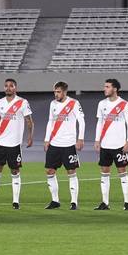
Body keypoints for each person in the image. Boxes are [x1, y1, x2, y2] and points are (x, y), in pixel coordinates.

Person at [0, 79, 34, 210]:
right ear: (4, 88)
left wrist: (30, 137)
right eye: (6, 86)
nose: (8, 88)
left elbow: (29, 121)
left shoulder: (23, 102)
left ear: (15, 88)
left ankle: (15, 201)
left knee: (15, 171)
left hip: (14, 144)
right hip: (1, 143)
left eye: (11, 86)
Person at [94, 79, 128, 211]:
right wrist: (97, 140)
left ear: (115, 89)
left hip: (119, 145)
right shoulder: (101, 104)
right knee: (104, 172)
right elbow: (100, 123)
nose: (104, 89)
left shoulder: (124, 104)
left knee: (122, 171)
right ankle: (105, 203)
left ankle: (127, 202)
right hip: (105, 145)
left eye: (107, 87)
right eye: (104, 86)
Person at [44, 81, 85, 210]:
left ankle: (74, 202)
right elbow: (50, 121)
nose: (56, 94)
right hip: (54, 143)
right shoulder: (53, 104)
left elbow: (81, 121)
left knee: (71, 172)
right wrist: (46, 139)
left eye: (58, 92)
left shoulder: (74, 103)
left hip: (69, 144)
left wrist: (80, 139)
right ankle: (55, 200)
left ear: (65, 92)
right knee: (50, 171)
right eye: (55, 92)